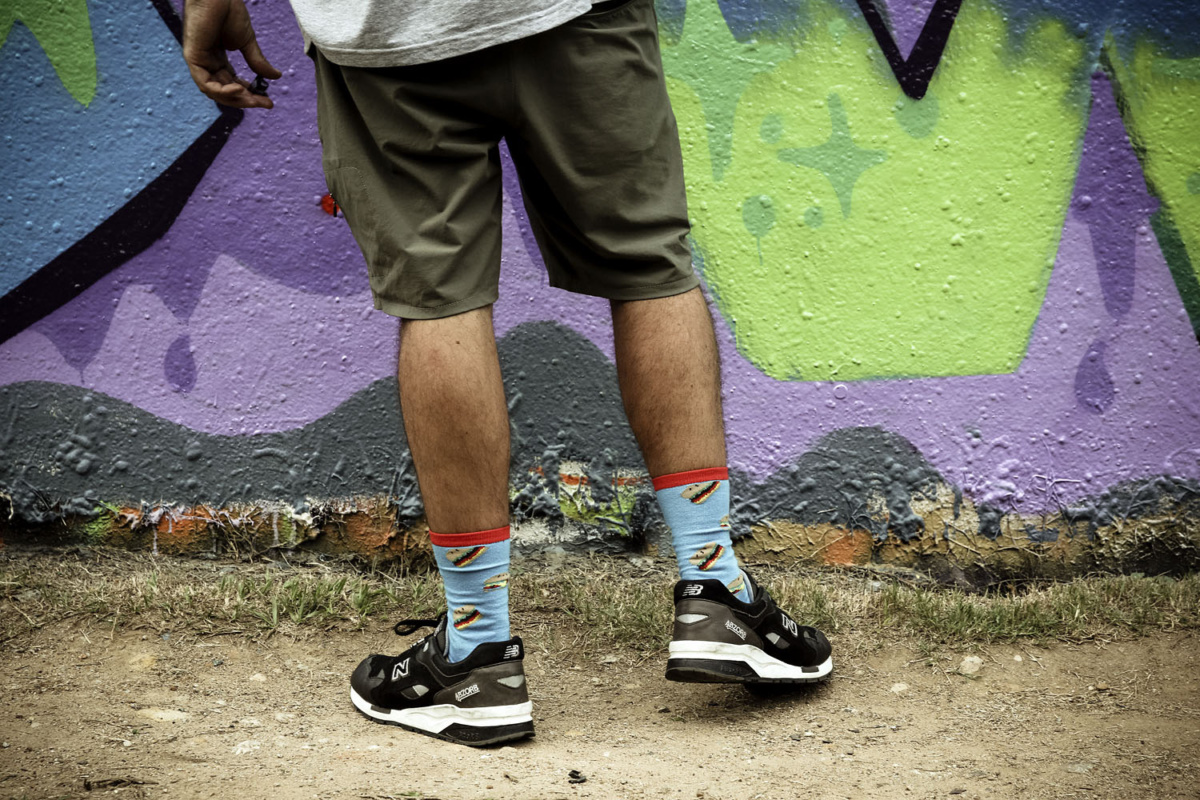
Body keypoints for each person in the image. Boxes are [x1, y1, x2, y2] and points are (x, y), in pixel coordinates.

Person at [182, 0, 832, 747]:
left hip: (390, 33)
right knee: (647, 264)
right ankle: (716, 588)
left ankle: (478, 654)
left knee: (438, 297)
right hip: (569, 11)